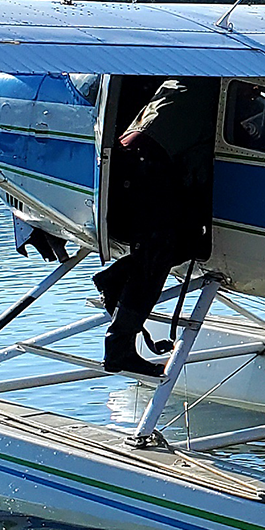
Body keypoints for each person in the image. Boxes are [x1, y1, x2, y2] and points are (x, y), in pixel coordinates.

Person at [93, 78, 217, 377]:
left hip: (139, 158)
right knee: (156, 256)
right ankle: (119, 349)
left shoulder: (185, 80)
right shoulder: (211, 90)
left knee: (188, 244)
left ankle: (115, 278)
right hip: (148, 167)